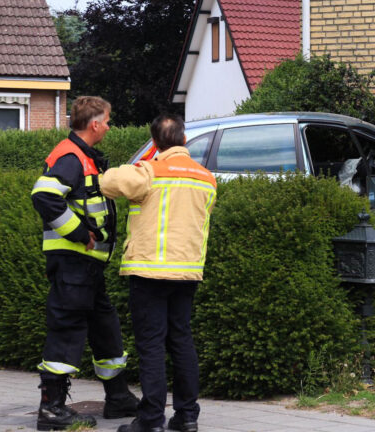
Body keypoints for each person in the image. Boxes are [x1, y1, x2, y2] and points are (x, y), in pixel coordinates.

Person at [101, 113, 217, 432]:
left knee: (151, 345)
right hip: (187, 272)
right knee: (181, 340)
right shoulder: (206, 177)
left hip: (149, 271)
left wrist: (144, 162)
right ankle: (187, 416)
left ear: (154, 142)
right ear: (183, 139)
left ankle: (151, 420)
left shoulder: (149, 171)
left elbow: (109, 183)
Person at [30, 96, 139, 431]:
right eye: (107, 121)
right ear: (94, 124)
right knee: (67, 329)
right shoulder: (71, 156)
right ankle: (51, 410)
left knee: (105, 328)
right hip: (73, 262)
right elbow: (43, 195)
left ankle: (118, 396)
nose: (109, 126)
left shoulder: (85, 157)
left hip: (87, 266)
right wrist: (79, 232)